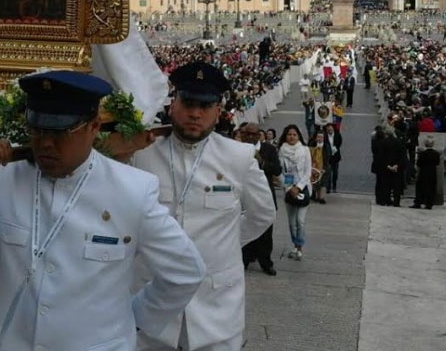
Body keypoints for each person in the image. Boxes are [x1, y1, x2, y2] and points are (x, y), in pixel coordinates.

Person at [0, 70, 206, 351]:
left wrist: (131, 319)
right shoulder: (2, 179)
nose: (46, 144)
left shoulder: (132, 191)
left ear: (94, 127)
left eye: (61, 132)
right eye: (37, 130)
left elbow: (186, 272)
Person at [132, 62, 276, 351]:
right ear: (173, 104)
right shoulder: (141, 153)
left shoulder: (238, 156)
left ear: (218, 111)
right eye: (188, 103)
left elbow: (263, 213)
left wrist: (224, 246)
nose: (195, 114)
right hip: (152, 299)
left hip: (215, 304)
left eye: (205, 106)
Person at [239, 122, 281, 276]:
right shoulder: (237, 149)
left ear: (259, 135)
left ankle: (265, 262)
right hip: (243, 196)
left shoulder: (268, 149)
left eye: (253, 134)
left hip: (264, 196)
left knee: (265, 232)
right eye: (246, 134)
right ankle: (244, 260)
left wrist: (262, 162)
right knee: (243, 227)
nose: (249, 137)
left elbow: (277, 169)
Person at [277, 124, 312, 261]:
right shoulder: (281, 151)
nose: (292, 137)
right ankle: (294, 243)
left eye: (294, 134)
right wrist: (289, 188)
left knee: (300, 221)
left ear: (299, 136)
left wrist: (299, 187)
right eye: (289, 134)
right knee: (292, 222)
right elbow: (281, 172)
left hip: (303, 188)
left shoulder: (304, 150)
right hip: (288, 189)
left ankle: (300, 246)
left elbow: (308, 171)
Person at [370, 124, 407, 207]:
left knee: (385, 185)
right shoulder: (399, 142)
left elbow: (381, 156)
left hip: (386, 167)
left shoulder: (383, 143)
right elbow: (403, 155)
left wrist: (387, 166)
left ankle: (385, 200)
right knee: (396, 186)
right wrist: (397, 165)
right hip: (396, 167)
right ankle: (396, 202)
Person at [411, 136, 439, 210]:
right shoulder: (436, 154)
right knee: (431, 188)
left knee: (420, 188)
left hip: (423, 173)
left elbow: (418, 163)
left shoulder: (423, 154)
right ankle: (429, 204)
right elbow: (437, 163)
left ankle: (418, 202)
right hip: (432, 173)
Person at [323, 122, 343, 193]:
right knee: (328, 173)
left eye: (331, 129)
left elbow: (340, 142)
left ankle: (334, 186)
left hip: (335, 156)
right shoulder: (325, 136)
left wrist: (336, 148)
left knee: (335, 173)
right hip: (328, 157)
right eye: (328, 130)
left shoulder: (337, 135)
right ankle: (328, 188)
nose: (330, 131)